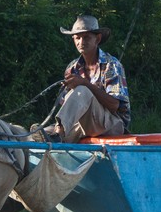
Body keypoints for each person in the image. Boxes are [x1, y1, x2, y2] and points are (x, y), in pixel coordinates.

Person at [35, 15, 131, 143]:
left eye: (86, 37)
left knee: (82, 90)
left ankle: (59, 134)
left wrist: (85, 84)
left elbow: (114, 105)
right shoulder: (72, 68)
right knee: (38, 135)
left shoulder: (111, 65)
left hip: (112, 123)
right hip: (84, 123)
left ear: (97, 39)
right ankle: (56, 135)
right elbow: (67, 108)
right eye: (77, 38)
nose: (81, 42)